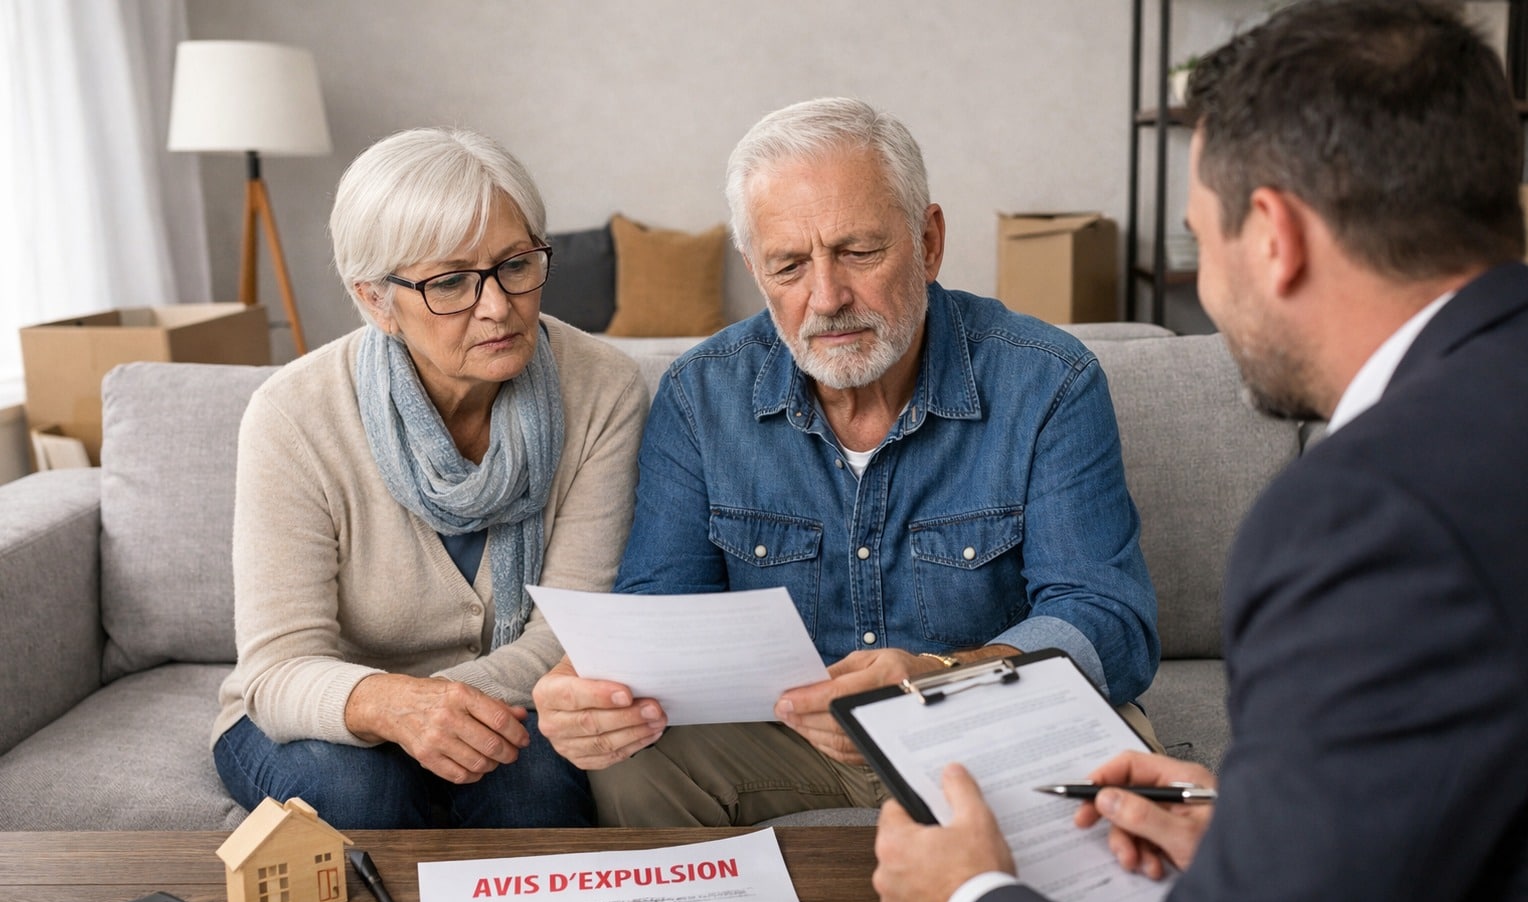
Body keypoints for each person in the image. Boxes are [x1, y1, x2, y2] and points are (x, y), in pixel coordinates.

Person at [796, 1, 1528, 902]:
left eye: (1201, 239)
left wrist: (966, 901)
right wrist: (1253, 838)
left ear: (1271, 235)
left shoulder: (1368, 513)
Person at [533, 97, 1160, 826]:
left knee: (1122, 775)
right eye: (789, 265)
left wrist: (936, 677)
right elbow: (661, 612)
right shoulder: (701, 395)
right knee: (634, 766)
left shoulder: (1048, 380)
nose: (826, 298)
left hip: (985, 724)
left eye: (859, 252)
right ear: (754, 270)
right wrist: (601, 694)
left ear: (928, 241)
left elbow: (1109, 624)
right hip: (787, 739)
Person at [211, 128, 650, 829]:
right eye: (449, 282)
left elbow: (569, 634)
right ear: (377, 300)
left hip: (515, 696)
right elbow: (278, 669)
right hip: (330, 713)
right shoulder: (292, 415)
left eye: (515, 265)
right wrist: (394, 709)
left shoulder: (604, 389)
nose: (498, 306)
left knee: (536, 783)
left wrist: (441, 710)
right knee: (365, 790)